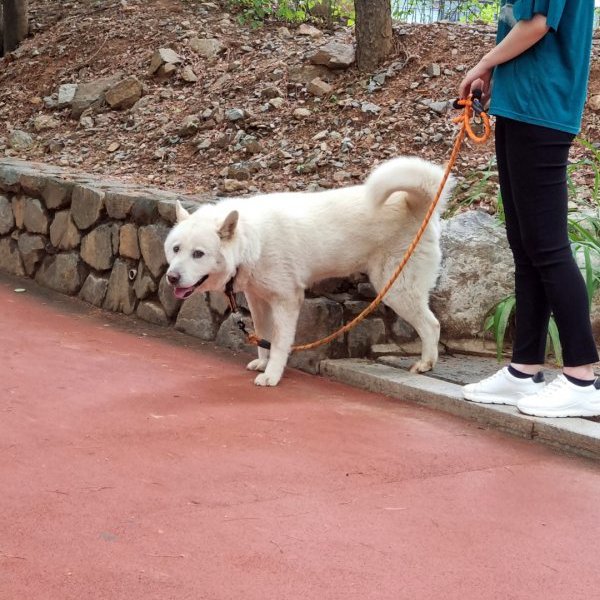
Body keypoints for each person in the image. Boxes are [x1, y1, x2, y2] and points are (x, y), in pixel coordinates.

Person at [459, 0, 600, 417]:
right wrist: (496, 75)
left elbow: (537, 25)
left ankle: (581, 376)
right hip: (520, 105)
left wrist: (483, 64)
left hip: (542, 108)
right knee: (525, 243)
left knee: (547, 246)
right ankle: (524, 369)